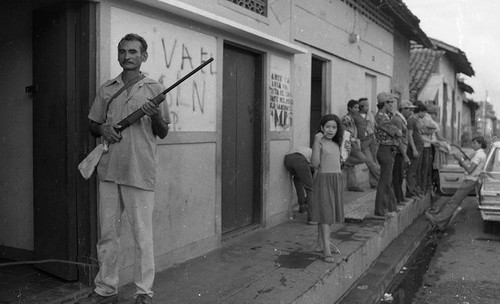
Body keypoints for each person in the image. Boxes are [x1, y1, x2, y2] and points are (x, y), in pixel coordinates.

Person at [77, 34, 170, 304]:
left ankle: (144, 292)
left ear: (144, 56)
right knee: (108, 234)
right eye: (122, 51)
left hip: (139, 170)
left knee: (143, 236)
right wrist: (103, 128)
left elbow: (162, 132)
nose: (127, 56)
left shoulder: (155, 88)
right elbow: (92, 124)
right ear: (118, 55)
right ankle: (106, 288)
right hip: (108, 169)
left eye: (133, 51)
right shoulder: (107, 88)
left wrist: (153, 114)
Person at [425, 136, 488, 231]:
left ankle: (437, 220)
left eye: (474, 143)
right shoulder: (481, 154)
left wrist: (460, 160)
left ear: (480, 144)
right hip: (473, 180)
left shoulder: (479, 155)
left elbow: (470, 169)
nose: (473, 145)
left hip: (470, 180)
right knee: (454, 201)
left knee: (453, 201)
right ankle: (441, 224)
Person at [310, 114, 345, 263]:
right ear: (322, 128)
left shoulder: (337, 143)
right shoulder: (319, 141)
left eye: (334, 127)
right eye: (328, 127)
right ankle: (326, 250)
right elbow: (315, 163)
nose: (331, 130)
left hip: (336, 180)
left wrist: (345, 153)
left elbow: (339, 162)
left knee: (326, 214)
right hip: (324, 180)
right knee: (326, 215)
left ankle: (320, 244)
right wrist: (317, 140)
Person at [373, 92, 402, 216]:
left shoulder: (384, 116)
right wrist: (398, 131)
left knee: (387, 180)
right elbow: (399, 133)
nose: (392, 105)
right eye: (390, 102)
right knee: (384, 181)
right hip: (385, 150)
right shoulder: (382, 117)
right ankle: (380, 210)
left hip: (386, 149)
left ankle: (391, 207)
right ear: (384, 103)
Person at [353, 97, 380, 188]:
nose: (368, 107)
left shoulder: (371, 114)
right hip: (364, 141)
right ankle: (381, 179)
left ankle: (374, 182)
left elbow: (376, 126)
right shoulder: (355, 116)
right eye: (366, 105)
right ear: (361, 106)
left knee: (374, 161)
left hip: (372, 138)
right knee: (370, 162)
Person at [391, 101, 413, 205]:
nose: (410, 111)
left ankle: (400, 197)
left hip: (401, 151)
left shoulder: (402, 120)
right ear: (403, 109)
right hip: (398, 151)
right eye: (408, 109)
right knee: (397, 176)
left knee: (400, 176)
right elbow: (398, 139)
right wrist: (405, 155)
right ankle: (397, 198)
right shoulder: (398, 120)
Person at [342, 99, 365, 192]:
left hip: (353, 142)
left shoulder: (354, 118)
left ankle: (352, 185)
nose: (357, 109)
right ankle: (345, 162)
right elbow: (344, 132)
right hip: (349, 142)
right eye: (355, 107)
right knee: (362, 158)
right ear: (349, 108)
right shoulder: (346, 118)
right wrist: (351, 142)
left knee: (352, 166)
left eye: (358, 107)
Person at [284, 147, 314, 217]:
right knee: (311, 188)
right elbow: (316, 169)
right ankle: (312, 217)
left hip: (287, 159)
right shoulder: (317, 154)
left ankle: (302, 207)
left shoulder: (308, 150)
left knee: (297, 181)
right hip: (299, 159)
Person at [406, 102, 426, 199]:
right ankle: (410, 191)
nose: (425, 115)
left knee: (416, 170)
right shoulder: (411, 120)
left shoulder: (416, 120)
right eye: (424, 112)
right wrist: (414, 149)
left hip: (419, 148)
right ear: (420, 111)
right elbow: (409, 135)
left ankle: (414, 189)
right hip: (416, 148)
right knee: (412, 170)